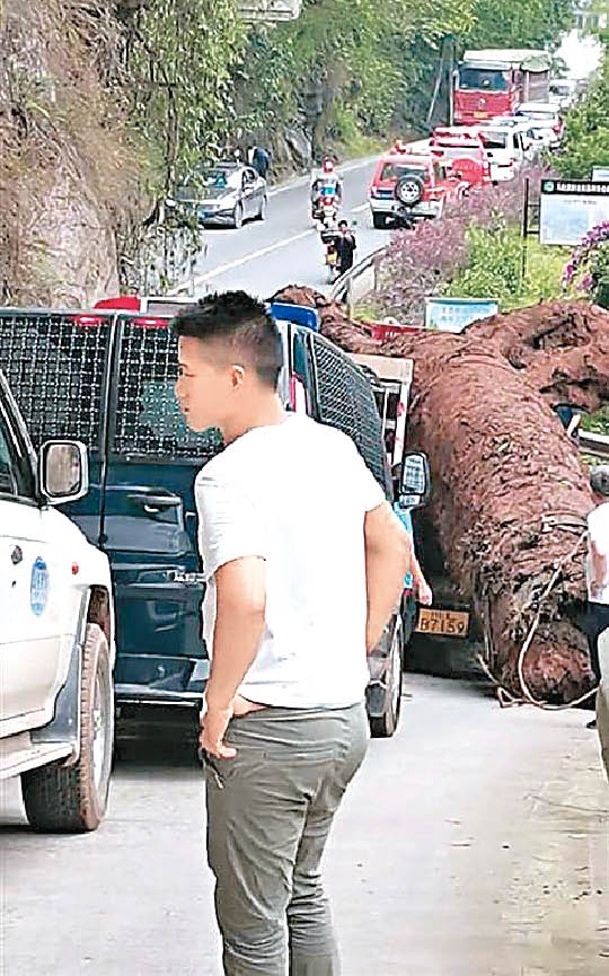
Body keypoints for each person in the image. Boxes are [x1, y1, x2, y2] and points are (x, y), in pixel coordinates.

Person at [173, 291, 411, 976]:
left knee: (251, 928)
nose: (178, 389)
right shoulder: (329, 445)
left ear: (236, 379)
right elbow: (390, 545)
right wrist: (358, 646)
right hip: (339, 720)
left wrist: (217, 706)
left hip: (271, 729)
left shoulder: (226, 476)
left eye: (189, 373)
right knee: (299, 892)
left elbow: (244, 599)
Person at [584, 466, 609, 781]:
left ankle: (601, 713)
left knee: (600, 655)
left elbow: (600, 551)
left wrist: (598, 583)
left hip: (604, 600)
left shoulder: (598, 517)